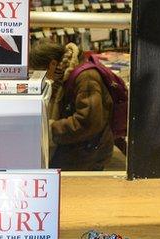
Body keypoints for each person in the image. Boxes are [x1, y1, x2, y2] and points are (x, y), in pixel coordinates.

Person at [29, 41, 113, 170]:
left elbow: (88, 122)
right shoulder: (63, 77)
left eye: (40, 73)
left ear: (52, 64)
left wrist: (50, 129)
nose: (39, 79)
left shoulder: (86, 77)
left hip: (88, 155)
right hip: (78, 148)